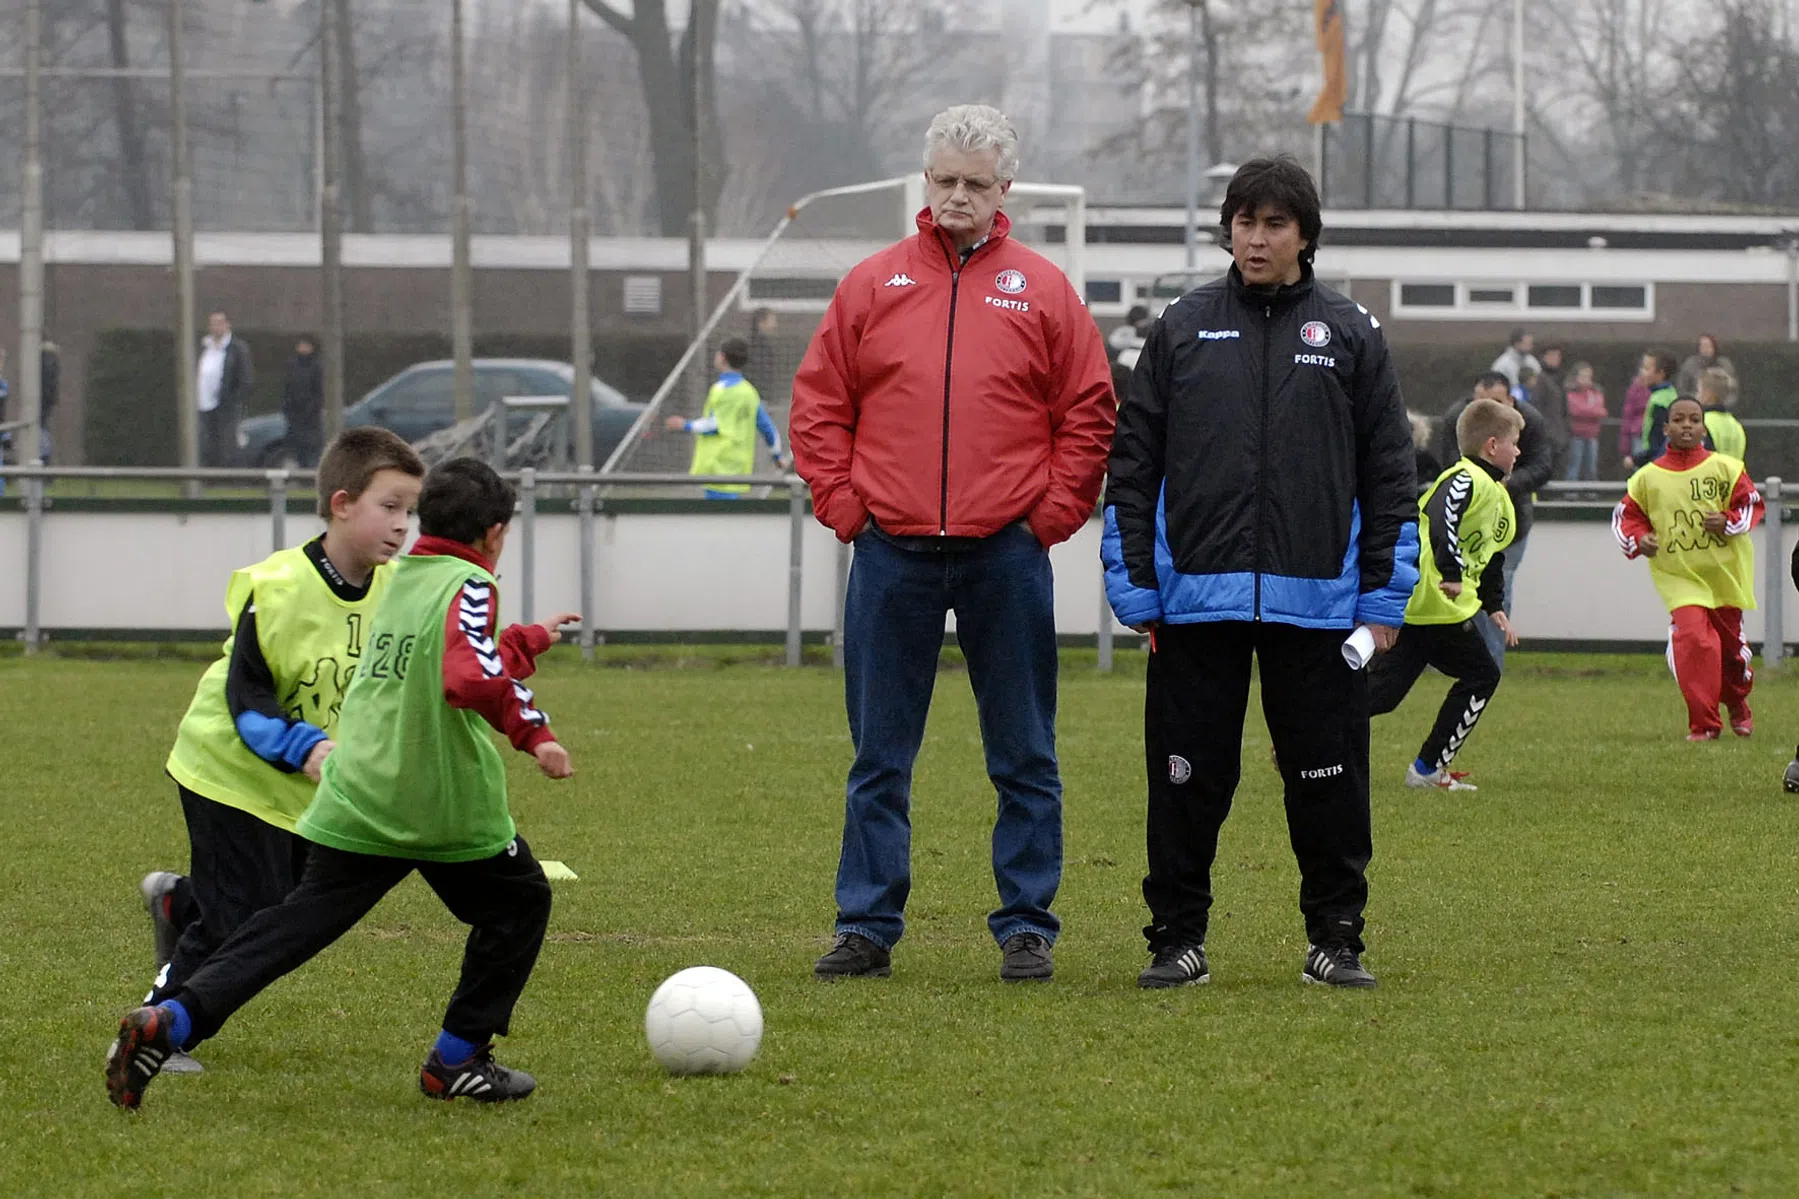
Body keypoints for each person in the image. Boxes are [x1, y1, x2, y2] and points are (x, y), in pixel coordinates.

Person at [106, 457, 580, 1111]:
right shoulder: (470, 582)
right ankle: (458, 1056)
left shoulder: (401, 578)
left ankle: (174, 1020)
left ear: (425, 520)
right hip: (436, 800)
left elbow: (455, 650)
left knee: (291, 923)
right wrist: (537, 733)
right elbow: (467, 673)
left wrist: (527, 640)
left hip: (357, 793)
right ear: (495, 534)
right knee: (519, 900)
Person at [790, 103, 1114, 984]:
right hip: (889, 550)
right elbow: (818, 405)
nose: (957, 197)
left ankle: (1025, 924)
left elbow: (1087, 413)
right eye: (944, 181)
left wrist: (1045, 518)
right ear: (923, 182)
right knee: (878, 756)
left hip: (1004, 552)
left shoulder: (1044, 290)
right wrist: (847, 508)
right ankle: (865, 923)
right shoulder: (869, 285)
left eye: (975, 183)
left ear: (1005, 189)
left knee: (1023, 752)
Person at [1105, 154, 1416, 991]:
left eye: (1274, 223)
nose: (1255, 237)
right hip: (1192, 605)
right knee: (1185, 782)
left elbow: (1391, 475)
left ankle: (1335, 939)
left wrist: (1384, 599)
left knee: (1327, 784)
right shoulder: (1179, 326)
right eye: (1243, 221)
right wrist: (1135, 585)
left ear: (1304, 235)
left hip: (1318, 608)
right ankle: (1174, 937)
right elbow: (1131, 466)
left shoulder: (1351, 333)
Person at [135, 427, 426, 1073]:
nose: (402, 524)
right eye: (389, 506)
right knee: (244, 916)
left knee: (282, 902)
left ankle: (181, 902)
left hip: (304, 785)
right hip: (228, 769)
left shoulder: (394, 592)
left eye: (410, 509)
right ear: (342, 503)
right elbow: (250, 701)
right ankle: (157, 1028)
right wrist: (306, 747)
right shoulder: (278, 585)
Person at [1370, 399, 1522, 792]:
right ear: (1492, 446)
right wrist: (1452, 572)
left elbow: (1490, 555)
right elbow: (1440, 517)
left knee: (1383, 694)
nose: (1518, 451)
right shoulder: (1464, 478)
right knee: (1482, 674)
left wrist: (1492, 605)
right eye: (1514, 442)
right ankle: (1427, 768)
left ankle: (1305, 734)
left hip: (1426, 606)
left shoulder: (1497, 495)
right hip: (1436, 600)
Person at [1612, 396, 1763, 741]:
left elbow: (1751, 504)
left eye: (1694, 420)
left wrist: (1726, 521)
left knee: (1730, 652)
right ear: (1665, 428)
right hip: (1679, 577)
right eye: (1678, 420)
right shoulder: (1647, 478)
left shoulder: (1726, 468)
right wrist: (1639, 541)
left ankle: (1738, 703)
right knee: (1696, 642)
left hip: (1723, 576)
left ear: (1703, 428)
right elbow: (1626, 518)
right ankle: (1705, 724)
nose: (1687, 426)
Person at [1432, 371, 1552, 670]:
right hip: (1464, 527)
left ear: (1511, 400)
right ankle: (1449, 659)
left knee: (1499, 590)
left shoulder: (1531, 422)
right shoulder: (1457, 419)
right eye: (1480, 403)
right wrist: (1482, 486)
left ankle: (1489, 664)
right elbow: (1451, 464)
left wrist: (1505, 484)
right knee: (1451, 587)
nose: (1487, 411)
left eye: (1496, 402)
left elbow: (1543, 466)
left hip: (1510, 524)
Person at [665, 336, 786, 498]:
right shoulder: (750, 392)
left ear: (722, 358)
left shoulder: (721, 390)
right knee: (731, 517)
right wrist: (777, 457)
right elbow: (768, 429)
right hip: (738, 469)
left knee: (717, 518)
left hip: (717, 466)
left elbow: (714, 425)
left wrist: (685, 425)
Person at [198, 310, 253, 467]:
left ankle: (229, 479)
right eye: (212, 323)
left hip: (226, 406)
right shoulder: (204, 346)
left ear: (227, 325)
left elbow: (245, 379)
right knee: (207, 444)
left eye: (219, 323)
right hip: (204, 404)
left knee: (227, 444)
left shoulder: (237, 348)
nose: (215, 327)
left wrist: (233, 399)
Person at [1625, 349, 1679, 470]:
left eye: (1646, 368)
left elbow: (1658, 442)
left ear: (1661, 374)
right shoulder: (1670, 394)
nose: (1642, 372)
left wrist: (1636, 459)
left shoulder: (1659, 402)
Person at [281, 336, 325, 468]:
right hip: (294, 418)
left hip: (311, 419)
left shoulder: (317, 366)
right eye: (300, 345)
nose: (303, 348)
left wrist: (311, 409)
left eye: (306, 345)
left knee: (312, 451)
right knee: (295, 451)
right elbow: (287, 389)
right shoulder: (291, 365)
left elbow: (319, 392)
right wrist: (288, 409)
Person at [1563, 362, 1607, 481]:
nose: (1586, 380)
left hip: (1592, 435)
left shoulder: (1595, 392)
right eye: (1583, 376)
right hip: (1576, 434)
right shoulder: (1571, 393)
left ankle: (1591, 492)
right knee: (1574, 464)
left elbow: (1601, 411)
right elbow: (1575, 410)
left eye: (1588, 376)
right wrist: (1591, 411)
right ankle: (1570, 492)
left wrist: (1588, 411)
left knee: (1591, 467)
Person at [1529, 343, 1569, 474]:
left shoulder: (1559, 379)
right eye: (1552, 356)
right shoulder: (1541, 380)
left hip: (1558, 434)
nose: (1556, 359)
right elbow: (1537, 405)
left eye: (1558, 356)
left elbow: (1563, 408)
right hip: (1548, 435)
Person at [1698, 365, 1746, 461]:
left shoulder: (1701, 422)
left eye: (1699, 390)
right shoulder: (1736, 425)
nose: (1697, 395)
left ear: (1708, 394)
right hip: (1734, 475)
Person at [1676, 332, 1736, 402]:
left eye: (1708, 346)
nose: (1706, 349)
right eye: (1703, 346)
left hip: (1720, 407)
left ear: (1714, 347)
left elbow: (1733, 390)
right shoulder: (1690, 364)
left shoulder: (1725, 364)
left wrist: (1723, 403)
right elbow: (1681, 389)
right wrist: (1696, 398)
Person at [745, 307, 781, 400]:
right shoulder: (755, 347)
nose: (775, 325)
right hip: (756, 397)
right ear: (761, 323)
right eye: (772, 321)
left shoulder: (764, 346)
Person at [1618, 371, 1650, 471]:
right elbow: (1627, 417)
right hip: (1639, 434)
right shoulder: (1634, 392)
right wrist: (1625, 445)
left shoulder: (1658, 392)